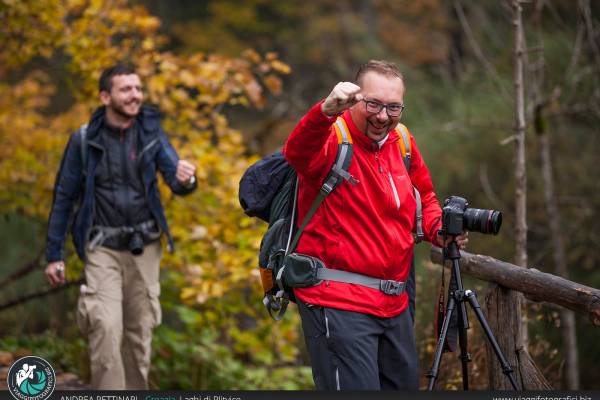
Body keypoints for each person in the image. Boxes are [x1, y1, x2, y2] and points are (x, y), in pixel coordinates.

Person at [283, 60, 468, 390]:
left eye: (393, 107)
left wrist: (441, 229)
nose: (383, 116)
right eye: (373, 104)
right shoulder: (333, 138)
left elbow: (424, 197)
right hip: (337, 300)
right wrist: (324, 112)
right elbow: (297, 152)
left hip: (394, 304)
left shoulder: (402, 141)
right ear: (354, 100)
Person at [44, 63, 197, 389]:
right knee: (105, 326)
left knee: (139, 334)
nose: (135, 95)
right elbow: (63, 197)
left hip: (145, 247)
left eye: (138, 89)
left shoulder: (151, 132)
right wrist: (54, 253)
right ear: (105, 96)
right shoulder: (84, 140)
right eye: (126, 89)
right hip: (101, 248)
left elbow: (176, 180)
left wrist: (187, 179)